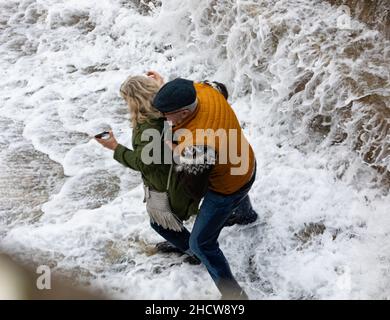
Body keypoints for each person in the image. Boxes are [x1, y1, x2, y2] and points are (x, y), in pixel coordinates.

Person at [151, 74, 258, 300]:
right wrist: (167, 94)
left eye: (165, 114)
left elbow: (194, 190)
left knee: (200, 243)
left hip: (229, 189)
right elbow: (223, 88)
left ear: (184, 112)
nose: (162, 118)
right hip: (246, 163)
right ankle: (246, 216)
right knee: (233, 177)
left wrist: (174, 149)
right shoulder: (204, 89)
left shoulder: (199, 146)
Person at [95, 73, 201, 264]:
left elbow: (142, 163)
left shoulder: (148, 127)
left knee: (159, 224)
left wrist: (115, 148)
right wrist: (160, 87)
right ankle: (189, 243)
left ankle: (194, 251)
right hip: (184, 171)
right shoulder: (167, 111)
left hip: (170, 183)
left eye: (127, 100)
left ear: (135, 101)